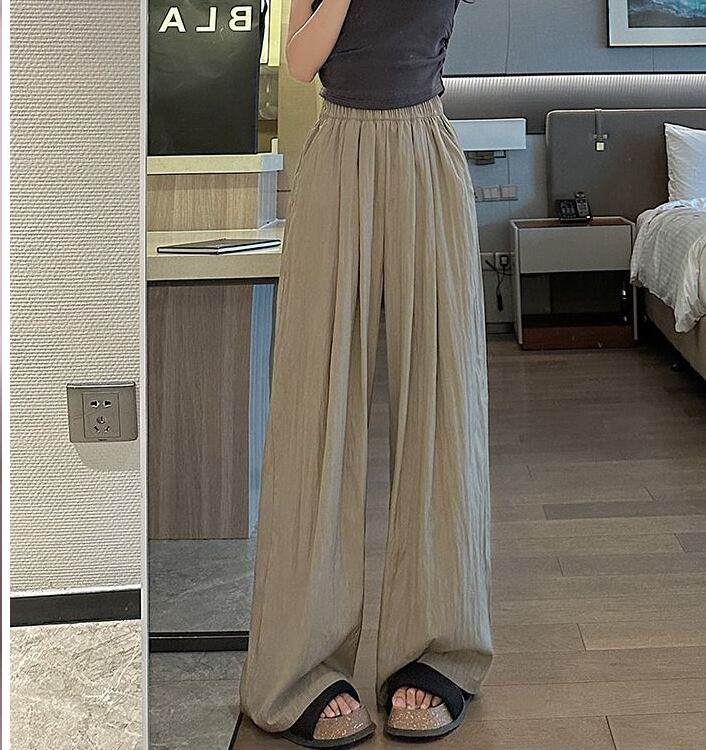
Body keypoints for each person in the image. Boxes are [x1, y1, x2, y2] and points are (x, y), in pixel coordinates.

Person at [239, 0, 494, 745]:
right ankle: (305, 662)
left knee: (443, 400)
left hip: (425, 152)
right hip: (337, 154)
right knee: (315, 404)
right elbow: (300, 61)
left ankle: (437, 647)